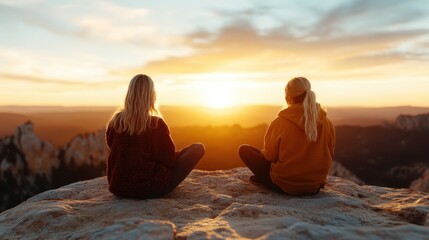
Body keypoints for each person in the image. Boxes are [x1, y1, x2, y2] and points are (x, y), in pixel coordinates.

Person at [105, 74, 205, 199]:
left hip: (119, 187)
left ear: (129, 94)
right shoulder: (156, 124)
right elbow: (170, 160)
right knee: (197, 149)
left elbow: (112, 146)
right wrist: (181, 154)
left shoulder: (116, 121)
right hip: (151, 187)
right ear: (152, 96)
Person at [239, 77, 335, 195]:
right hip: (315, 186)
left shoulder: (280, 122)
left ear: (288, 97)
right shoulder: (326, 122)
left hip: (285, 185)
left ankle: (266, 181)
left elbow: (269, 156)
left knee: (245, 150)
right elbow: (330, 153)